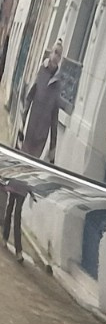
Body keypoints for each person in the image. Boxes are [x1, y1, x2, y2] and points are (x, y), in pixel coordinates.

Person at [2, 40, 64, 258]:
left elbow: (55, 119)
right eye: (55, 52)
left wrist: (52, 151)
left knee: (19, 194)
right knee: (14, 191)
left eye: (59, 54)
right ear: (50, 53)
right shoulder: (41, 73)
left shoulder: (58, 85)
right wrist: (19, 128)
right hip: (25, 140)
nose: (56, 56)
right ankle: (12, 242)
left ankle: (13, 243)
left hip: (38, 145)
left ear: (61, 58)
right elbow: (27, 100)